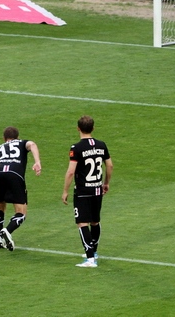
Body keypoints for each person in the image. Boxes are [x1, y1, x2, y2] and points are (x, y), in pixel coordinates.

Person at [62, 115, 113, 268]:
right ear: (93, 128)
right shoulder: (102, 145)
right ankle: (94, 252)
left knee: (82, 222)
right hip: (97, 189)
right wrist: (106, 183)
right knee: (95, 221)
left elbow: (71, 172)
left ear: (78, 128)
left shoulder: (76, 148)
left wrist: (65, 190)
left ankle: (90, 259)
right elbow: (109, 165)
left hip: (83, 190)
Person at [0, 126, 41, 251]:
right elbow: (32, 144)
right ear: (17, 137)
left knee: (0, 207)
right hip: (14, 175)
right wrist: (37, 161)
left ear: (4, 138)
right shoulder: (21, 143)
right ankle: (7, 231)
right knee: (21, 212)